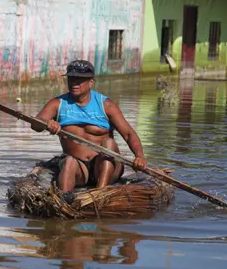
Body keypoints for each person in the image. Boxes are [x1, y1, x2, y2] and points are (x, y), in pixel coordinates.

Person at [30, 60, 148, 192]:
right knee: (68, 161)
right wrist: (47, 123)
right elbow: (36, 124)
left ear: (91, 82)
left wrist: (140, 156)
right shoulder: (58, 103)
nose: (74, 83)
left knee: (109, 143)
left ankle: (100, 192)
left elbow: (128, 134)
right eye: (71, 78)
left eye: (79, 80)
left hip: (106, 167)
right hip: (79, 169)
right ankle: (64, 200)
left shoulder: (106, 105)